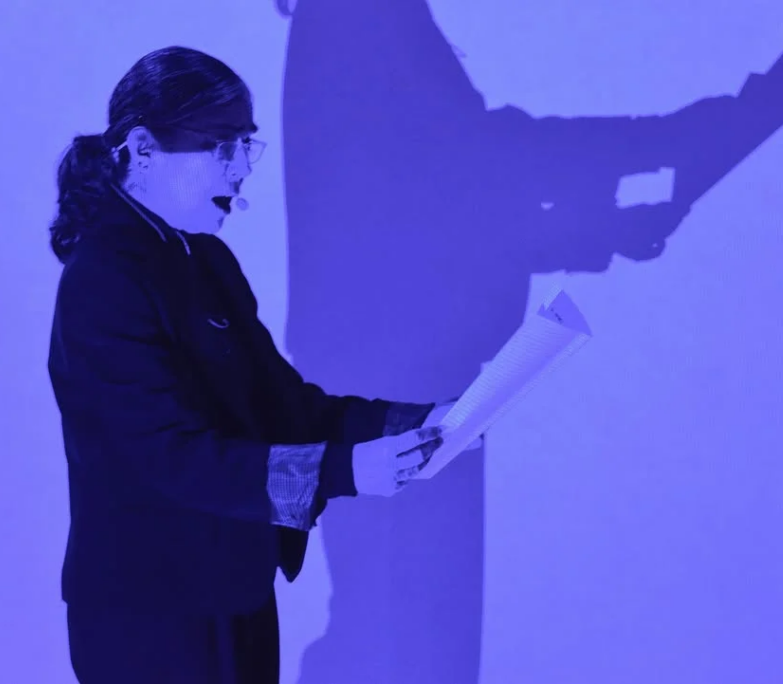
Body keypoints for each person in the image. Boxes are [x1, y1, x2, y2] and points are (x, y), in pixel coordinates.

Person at [45, 46, 475, 684]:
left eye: (247, 144)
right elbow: (171, 459)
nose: (244, 167)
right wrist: (347, 470)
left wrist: (422, 422)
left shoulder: (206, 261)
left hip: (235, 591)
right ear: (142, 148)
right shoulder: (102, 279)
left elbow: (285, 406)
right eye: (222, 144)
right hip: (146, 615)